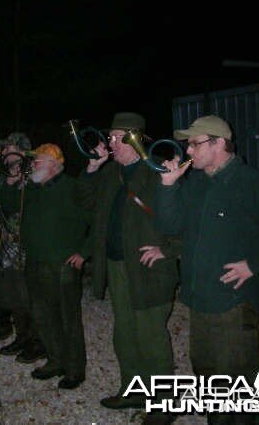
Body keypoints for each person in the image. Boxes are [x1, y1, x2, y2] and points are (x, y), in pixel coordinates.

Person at [156, 115, 259, 425]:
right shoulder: (197, 182)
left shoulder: (249, 182)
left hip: (233, 304)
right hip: (199, 301)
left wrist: (255, 264)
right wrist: (168, 187)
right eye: (188, 144)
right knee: (209, 375)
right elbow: (169, 226)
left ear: (219, 143)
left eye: (194, 144)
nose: (188, 151)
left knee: (236, 381)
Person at [75, 112, 180, 424]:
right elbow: (83, 204)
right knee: (124, 333)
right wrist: (92, 169)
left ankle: (164, 403)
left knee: (151, 337)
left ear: (135, 138)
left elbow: (184, 220)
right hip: (118, 266)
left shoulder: (157, 171)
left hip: (150, 269)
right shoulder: (111, 173)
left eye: (116, 137)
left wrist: (168, 250)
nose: (110, 143)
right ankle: (134, 390)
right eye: (110, 137)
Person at [0, 143, 90, 389]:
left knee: (67, 318)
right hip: (35, 261)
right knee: (42, 315)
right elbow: (7, 205)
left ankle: (74, 370)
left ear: (53, 165)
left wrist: (85, 252)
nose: (33, 164)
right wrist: (11, 179)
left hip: (62, 265)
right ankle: (55, 360)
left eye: (37, 161)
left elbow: (96, 218)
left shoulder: (72, 187)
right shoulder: (32, 188)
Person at [0, 133, 46, 362]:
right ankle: (22, 336)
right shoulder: (7, 176)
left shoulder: (34, 175)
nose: (4, 152)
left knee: (29, 297)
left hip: (26, 248)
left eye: (9, 147)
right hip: (8, 246)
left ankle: (38, 341)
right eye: (4, 148)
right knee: (14, 295)